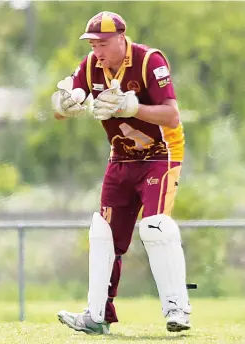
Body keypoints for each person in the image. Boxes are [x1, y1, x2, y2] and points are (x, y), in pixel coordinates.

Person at [52, 11, 191, 335]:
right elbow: (68, 100)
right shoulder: (91, 66)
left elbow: (171, 116)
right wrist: (64, 105)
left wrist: (132, 108)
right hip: (121, 158)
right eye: (92, 44)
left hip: (161, 154)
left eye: (102, 43)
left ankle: (178, 309)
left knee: (156, 227)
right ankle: (97, 316)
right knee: (104, 235)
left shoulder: (148, 61)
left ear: (120, 39)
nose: (96, 51)